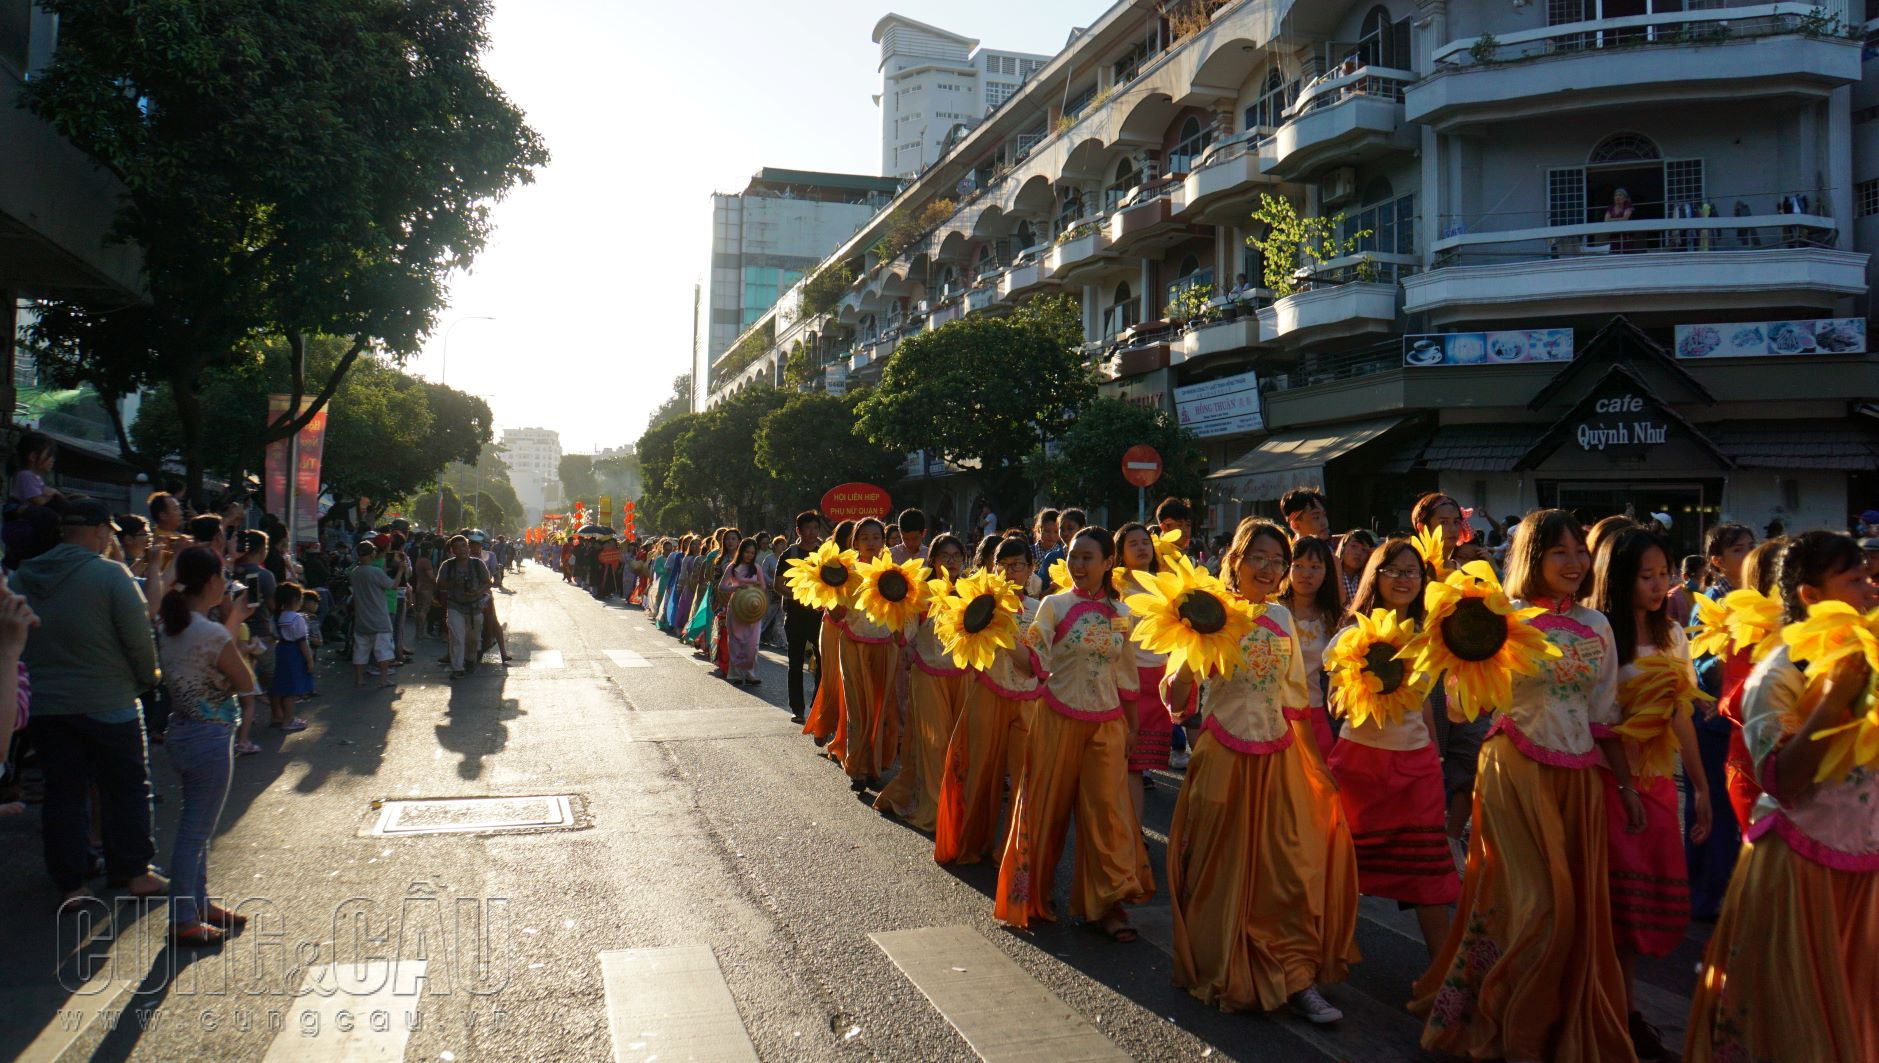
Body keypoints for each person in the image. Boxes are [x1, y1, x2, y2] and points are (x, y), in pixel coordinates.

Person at [1409, 509, 1638, 1062]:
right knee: (1539, 903)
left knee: (1567, 906)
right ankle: (1503, 1018)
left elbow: (1603, 713)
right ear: (1533, 557)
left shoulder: (1599, 625)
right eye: (1560, 552)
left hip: (1579, 778)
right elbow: (1466, 707)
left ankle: (1546, 1022)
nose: (1575, 563)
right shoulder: (1500, 616)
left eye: (1580, 552)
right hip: (1514, 768)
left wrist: (1627, 788)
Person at [1685, 530, 1879, 1062]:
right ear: (1813, 596)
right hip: (1798, 864)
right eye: (1856, 579)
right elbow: (1781, 779)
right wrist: (1837, 697)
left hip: (1864, 860)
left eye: (1869, 578)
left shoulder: (1869, 656)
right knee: (1796, 1019)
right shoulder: (1778, 670)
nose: (1871, 590)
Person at [1161, 517, 1358, 1021]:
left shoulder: (1281, 618)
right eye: (1259, 559)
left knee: (1287, 869)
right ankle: (1225, 963)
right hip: (1223, 754)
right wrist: (1186, 659)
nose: (1271, 570)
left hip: (1279, 756)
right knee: (1221, 869)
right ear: (1235, 561)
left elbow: (1295, 701)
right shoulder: (1208, 613)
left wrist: (1315, 767)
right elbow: (1177, 701)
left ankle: (1296, 977)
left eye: (1279, 562)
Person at [1589, 526, 1712, 1060]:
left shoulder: (1673, 636)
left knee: (1640, 914)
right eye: (1647, 575)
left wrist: (1702, 790)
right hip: (1607, 784)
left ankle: (1623, 1013)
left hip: (1657, 784)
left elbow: (1680, 714)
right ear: (1619, 579)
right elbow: (1602, 721)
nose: (1660, 585)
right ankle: (1616, 1017)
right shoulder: (1599, 637)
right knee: (1611, 912)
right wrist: (1623, 785)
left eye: (1665, 573)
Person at [998, 526, 1154, 941]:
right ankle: (1030, 896)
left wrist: (1133, 726)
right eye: (1073, 556)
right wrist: (990, 632)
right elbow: (1031, 659)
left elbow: (1126, 673)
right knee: (1046, 808)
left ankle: (1107, 905)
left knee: (1107, 815)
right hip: (1056, 719)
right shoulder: (1053, 605)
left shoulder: (1121, 614)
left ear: (1108, 564)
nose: (1078, 565)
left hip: (1107, 724)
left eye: (1088, 557)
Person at [16, 499, 164, 904]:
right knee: (126, 787)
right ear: (100, 531)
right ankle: (133, 872)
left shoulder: (22, 576)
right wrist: (147, 678)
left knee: (63, 792)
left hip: (46, 704)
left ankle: (71, 883)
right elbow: (138, 638)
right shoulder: (110, 575)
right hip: (109, 698)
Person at [1326, 538, 1460, 960]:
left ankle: (1444, 978)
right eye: (1395, 571)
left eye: (1413, 572)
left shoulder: (1428, 637)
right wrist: (1360, 683)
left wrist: (1434, 761)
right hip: (1360, 763)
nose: (1404, 580)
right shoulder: (1352, 633)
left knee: (1428, 870)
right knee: (1341, 867)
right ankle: (1325, 959)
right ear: (1375, 576)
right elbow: (1333, 704)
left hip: (1415, 764)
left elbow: (1424, 708)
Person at [154, 547, 257, 945]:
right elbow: (245, 682)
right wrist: (234, 625)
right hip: (208, 734)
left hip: (182, 729)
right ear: (212, 581)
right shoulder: (210, 632)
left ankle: (199, 903)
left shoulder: (171, 625)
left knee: (197, 828)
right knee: (195, 833)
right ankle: (183, 917)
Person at [935, 536, 1039, 865]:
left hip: (1027, 700)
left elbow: (1034, 665)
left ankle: (1010, 852)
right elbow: (963, 657)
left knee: (1024, 778)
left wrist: (1003, 631)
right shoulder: (978, 605)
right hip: (987, 692)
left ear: (1031, 568)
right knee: (978, 771)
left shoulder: (1040, 611)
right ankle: (969, 842)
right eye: (1002, 566)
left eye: (1018, 565)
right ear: (992, 568)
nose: (1010, 572)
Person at [1412, 493, 1493, 861]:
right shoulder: (1410, 565)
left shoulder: (1468, 571)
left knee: (1471, 757)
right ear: (1422, 525)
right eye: (1440, 521)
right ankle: (1422, 838)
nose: (1448, 529)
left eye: (1453, 521)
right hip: (1422, 679)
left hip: (1462, 679)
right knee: (1426, 759)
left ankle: (1450, 837)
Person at [875, 533, 970, 829]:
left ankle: (959, 807)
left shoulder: (974, 590)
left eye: (957, 556)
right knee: (934, 744)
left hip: (966, 677)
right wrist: (897, 626)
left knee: (961, 746)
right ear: (933, 560)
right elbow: (904, 633)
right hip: (928, 674)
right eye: (945, 556)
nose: (951, 561)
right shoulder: (920, 593)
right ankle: (935, 810)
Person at [831, 518, 901, 791]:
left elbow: (901, 612)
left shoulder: (894, 573)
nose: (871, 543)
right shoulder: (846, 571)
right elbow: (836, 613)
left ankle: (874, 765)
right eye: (866, 538)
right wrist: (833, 588)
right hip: (853, 644)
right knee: (858, 708)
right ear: (855, 542)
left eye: (876, 537)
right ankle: (857, 768)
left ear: (884, 542)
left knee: (882, 709)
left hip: (885, 645)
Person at [1114, 522, 1171, 828]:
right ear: (1120, 552)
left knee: (1139, 764)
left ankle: (1133, 833)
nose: (1141, 547)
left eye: (1145, 541)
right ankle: (1128, 833)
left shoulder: (1167, 583)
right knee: (1125, 763)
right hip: (1125, 678)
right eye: (1132, 543)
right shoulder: (1114, 585)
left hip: (1158, 678)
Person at [802, 520, 854, 752]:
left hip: (860, 630)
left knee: (852, 684)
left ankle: (847, 734)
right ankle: (824, 725)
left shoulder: (870, 563)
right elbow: (819, 595)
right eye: (854, 537)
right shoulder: (830, 562)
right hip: (833, 626)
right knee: (832, 678)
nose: (861, 541)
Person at [776, 514, 826, 724]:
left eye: (816, 527)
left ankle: (818, 706)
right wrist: (800, 595)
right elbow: (778, 585)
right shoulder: (790, 553)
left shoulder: (826, 553)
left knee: (823, 662)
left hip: (819, 616)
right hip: (795, 615)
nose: (812, 532)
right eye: (808, 528)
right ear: (799, 531)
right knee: (795, 663)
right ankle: (798, 708)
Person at [437, 534, 493, 679]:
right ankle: (457, 668)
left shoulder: (477, 564)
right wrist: (453, 584)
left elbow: (487, 582)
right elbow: (439, 583)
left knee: (473, 639)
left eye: (463, 546)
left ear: (468, 547)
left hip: (474, 606)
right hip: (455, 605)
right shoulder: (447, 565)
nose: (461, 549)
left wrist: (478, 591)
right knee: (457, 637)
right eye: (457, 547)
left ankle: (470, 659)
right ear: (452, 551)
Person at [348, 540, 398, 689]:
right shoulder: (375, 572)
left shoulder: (355, 572)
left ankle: (359, 679)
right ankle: (383, 679)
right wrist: (401, 570)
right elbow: (393, 585)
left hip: (361, 618)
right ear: (372, 554)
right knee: (384, 651)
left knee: (360, 650)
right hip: (379, 618)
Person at [717, 539, 766, 686]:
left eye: (752, 553)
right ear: (741, 551)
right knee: (736, 640)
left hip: (753, 607)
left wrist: (756, 586)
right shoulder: (732, 567)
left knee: (752, 642)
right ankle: (735, 674)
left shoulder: (757, 568)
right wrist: (736, 588)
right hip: (737, 606)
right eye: (747, 552)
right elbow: (722, 587)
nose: (749, 555)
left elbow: (763, 587)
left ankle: (750, 674)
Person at [267, 582, 314, 733]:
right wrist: (309, 659)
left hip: (281, 650)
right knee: (291, 689)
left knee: (281, 685)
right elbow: (302, 641)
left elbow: (272, 634)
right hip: (294, 652)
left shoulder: (276, 617)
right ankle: (288, 720)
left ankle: (279, 717)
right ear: (294, 600)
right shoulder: (297, 618)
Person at [11, 431, 65, 508]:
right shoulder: (26, 475)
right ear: (33, 456)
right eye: (49, 455)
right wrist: (54, 493)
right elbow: (39, 501)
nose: (53, 460)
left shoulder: (35, 476)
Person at [1334, 528, 1376, 605]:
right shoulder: (1331, 574)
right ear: (1343, 548)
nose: (1358, 553)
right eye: (1354, 546)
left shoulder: (1368, 579)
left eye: (1364, 550)